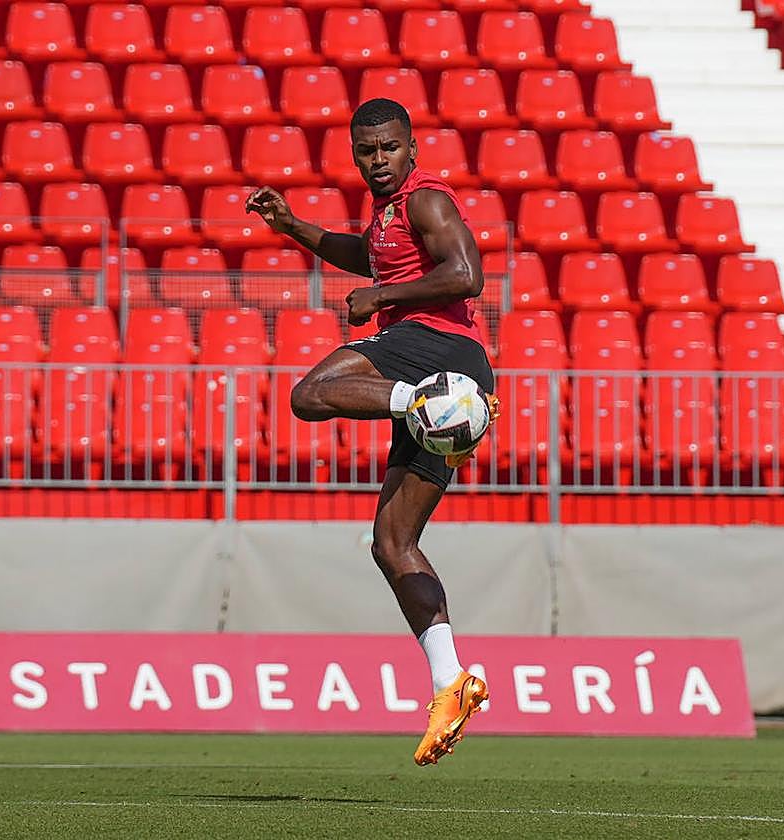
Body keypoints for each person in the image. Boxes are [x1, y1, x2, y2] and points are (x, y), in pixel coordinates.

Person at [245, 98, 496, 766]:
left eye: (388, 148)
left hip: (439, 350)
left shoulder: (426, 201)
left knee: (310, 394)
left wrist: (383, 301)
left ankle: (423, 401)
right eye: (366, 151)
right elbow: (369, 256)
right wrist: (293, 226)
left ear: (412, 149)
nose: (378, 160)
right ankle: (452, 682)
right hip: (443, 369)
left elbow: (467, 274)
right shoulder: (387, 217)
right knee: (392, 542)